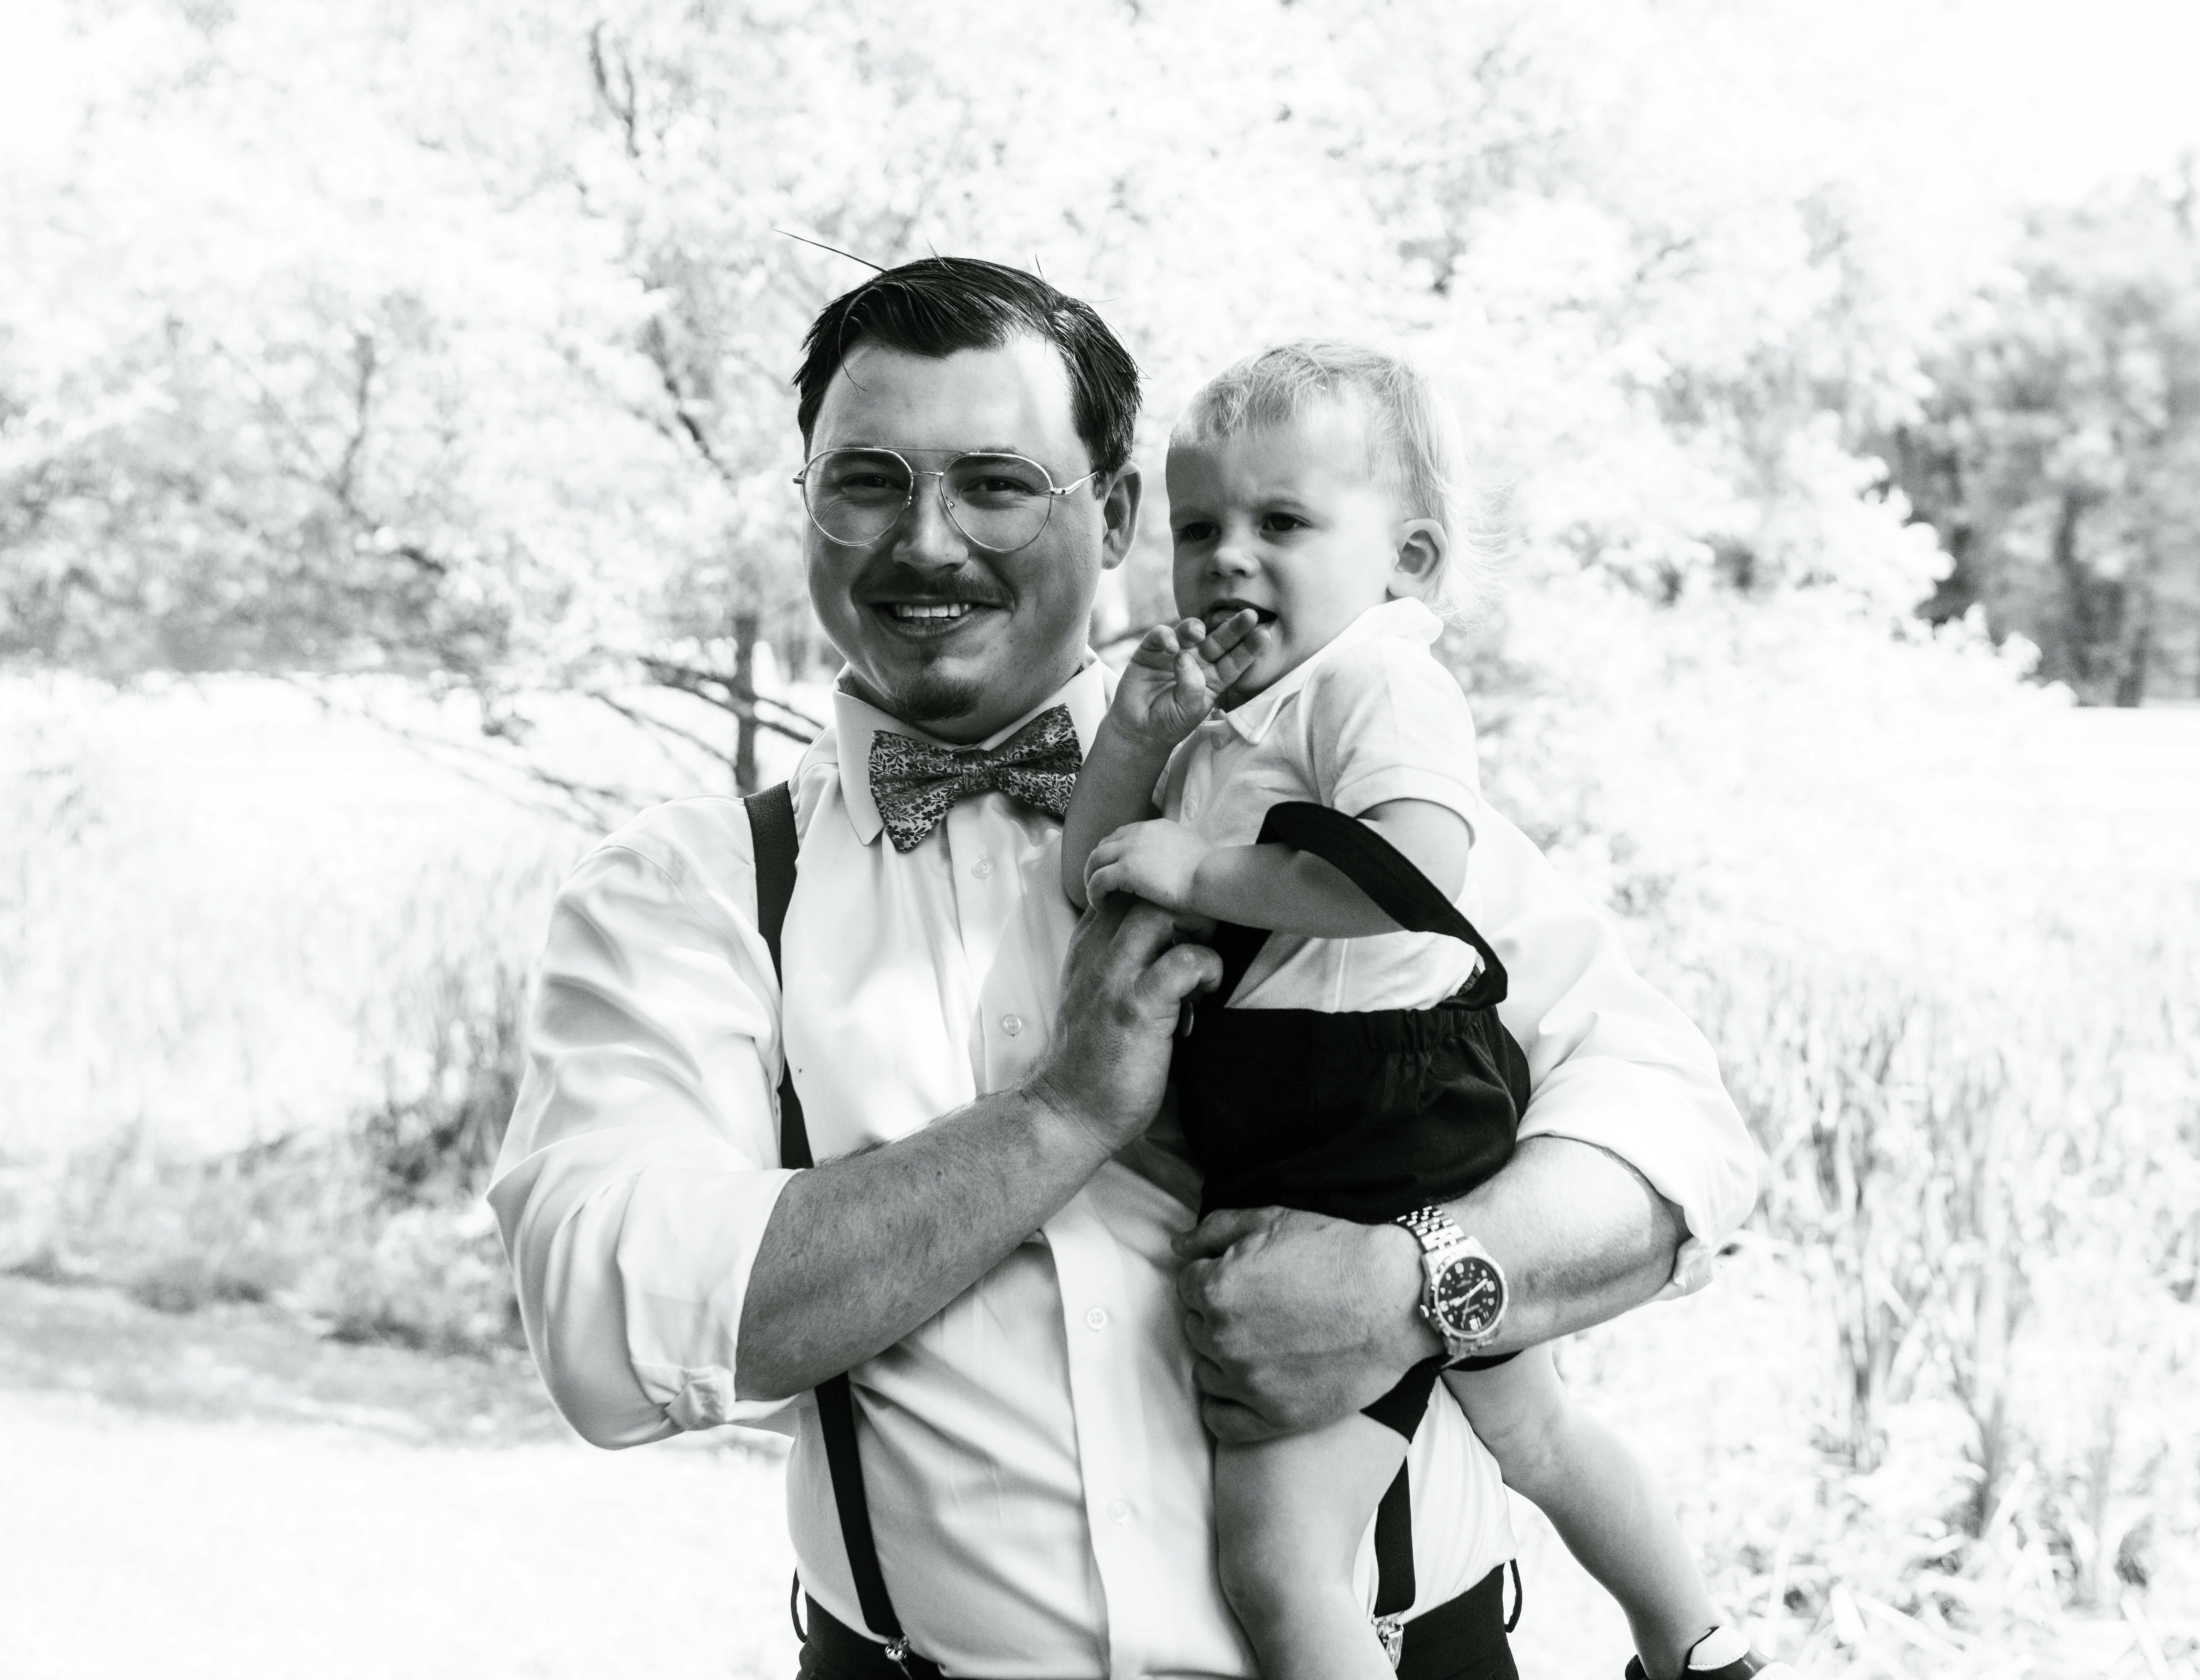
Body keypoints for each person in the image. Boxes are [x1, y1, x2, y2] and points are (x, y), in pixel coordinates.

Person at [488, 257, 1763, 1680]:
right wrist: (1058, 1115)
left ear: (1113, 516)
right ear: (805, 508)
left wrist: (1423, 1281)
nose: (928, 540)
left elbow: (1682, 1142)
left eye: (996, 481)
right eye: (865, 480)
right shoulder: (689, 893)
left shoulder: (1308, 775)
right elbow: (612, 1323)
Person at [1062, 342, 1790, 1680]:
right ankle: (1695, 1640)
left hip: (1366, 1110)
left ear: (1405, 560)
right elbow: (1092, 878)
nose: (1230, 557)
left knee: (1280, 1562)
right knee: (1535, 1434)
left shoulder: (1376, 681)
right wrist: (1131, 746)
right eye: (1201, 526)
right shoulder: (1233, 723)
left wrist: (1208, 868)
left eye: (1283, 522)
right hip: (1341, 1112)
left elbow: (1414, 868)